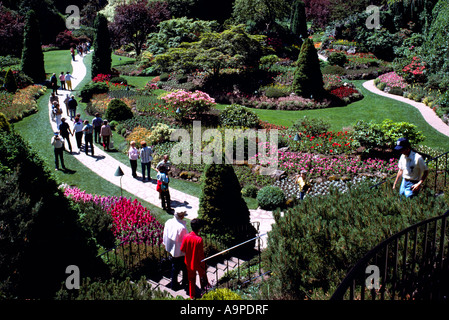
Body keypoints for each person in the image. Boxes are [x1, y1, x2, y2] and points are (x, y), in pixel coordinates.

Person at [181, 218, 210, 299]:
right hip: (198, 263)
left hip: (189, 262)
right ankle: (204, 293)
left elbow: (182, 249)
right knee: (202, 278)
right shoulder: (199, 239)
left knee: (191, 280)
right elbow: (201, 255)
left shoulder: (186, 237)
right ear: (199, 228)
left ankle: (192, 296)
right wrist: (204, 265)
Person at [163, 210, 189, 291]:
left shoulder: (168, 222)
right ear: (182, 216)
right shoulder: (182, 227)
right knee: (183, 267)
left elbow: (165, 235)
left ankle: (174, 284)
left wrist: (165, 244)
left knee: (174, 267)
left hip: (171, 248)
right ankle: (183, 282)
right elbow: (185, 241)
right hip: (180, 252)